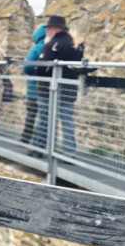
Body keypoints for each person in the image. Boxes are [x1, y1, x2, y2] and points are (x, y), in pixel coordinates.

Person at [33, 16, 82, 156]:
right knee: (67, 119)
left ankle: (38, 148)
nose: (47, 30)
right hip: (68, 88)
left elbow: (41, 68)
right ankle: (69, 153)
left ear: (57, 28)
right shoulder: (74, 45)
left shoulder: (51, 44)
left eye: (49, 27)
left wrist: (37, 70)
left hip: (48, 89)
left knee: (44, 119)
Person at [21, 24, 47, 144]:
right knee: (44, 117)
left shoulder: (36, 48)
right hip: (46, 88)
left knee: (31, 115)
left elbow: (27, 68)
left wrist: (34, 71)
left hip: (33, 88)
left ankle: (25, 138)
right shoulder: (51, 47)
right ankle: (41, 141)